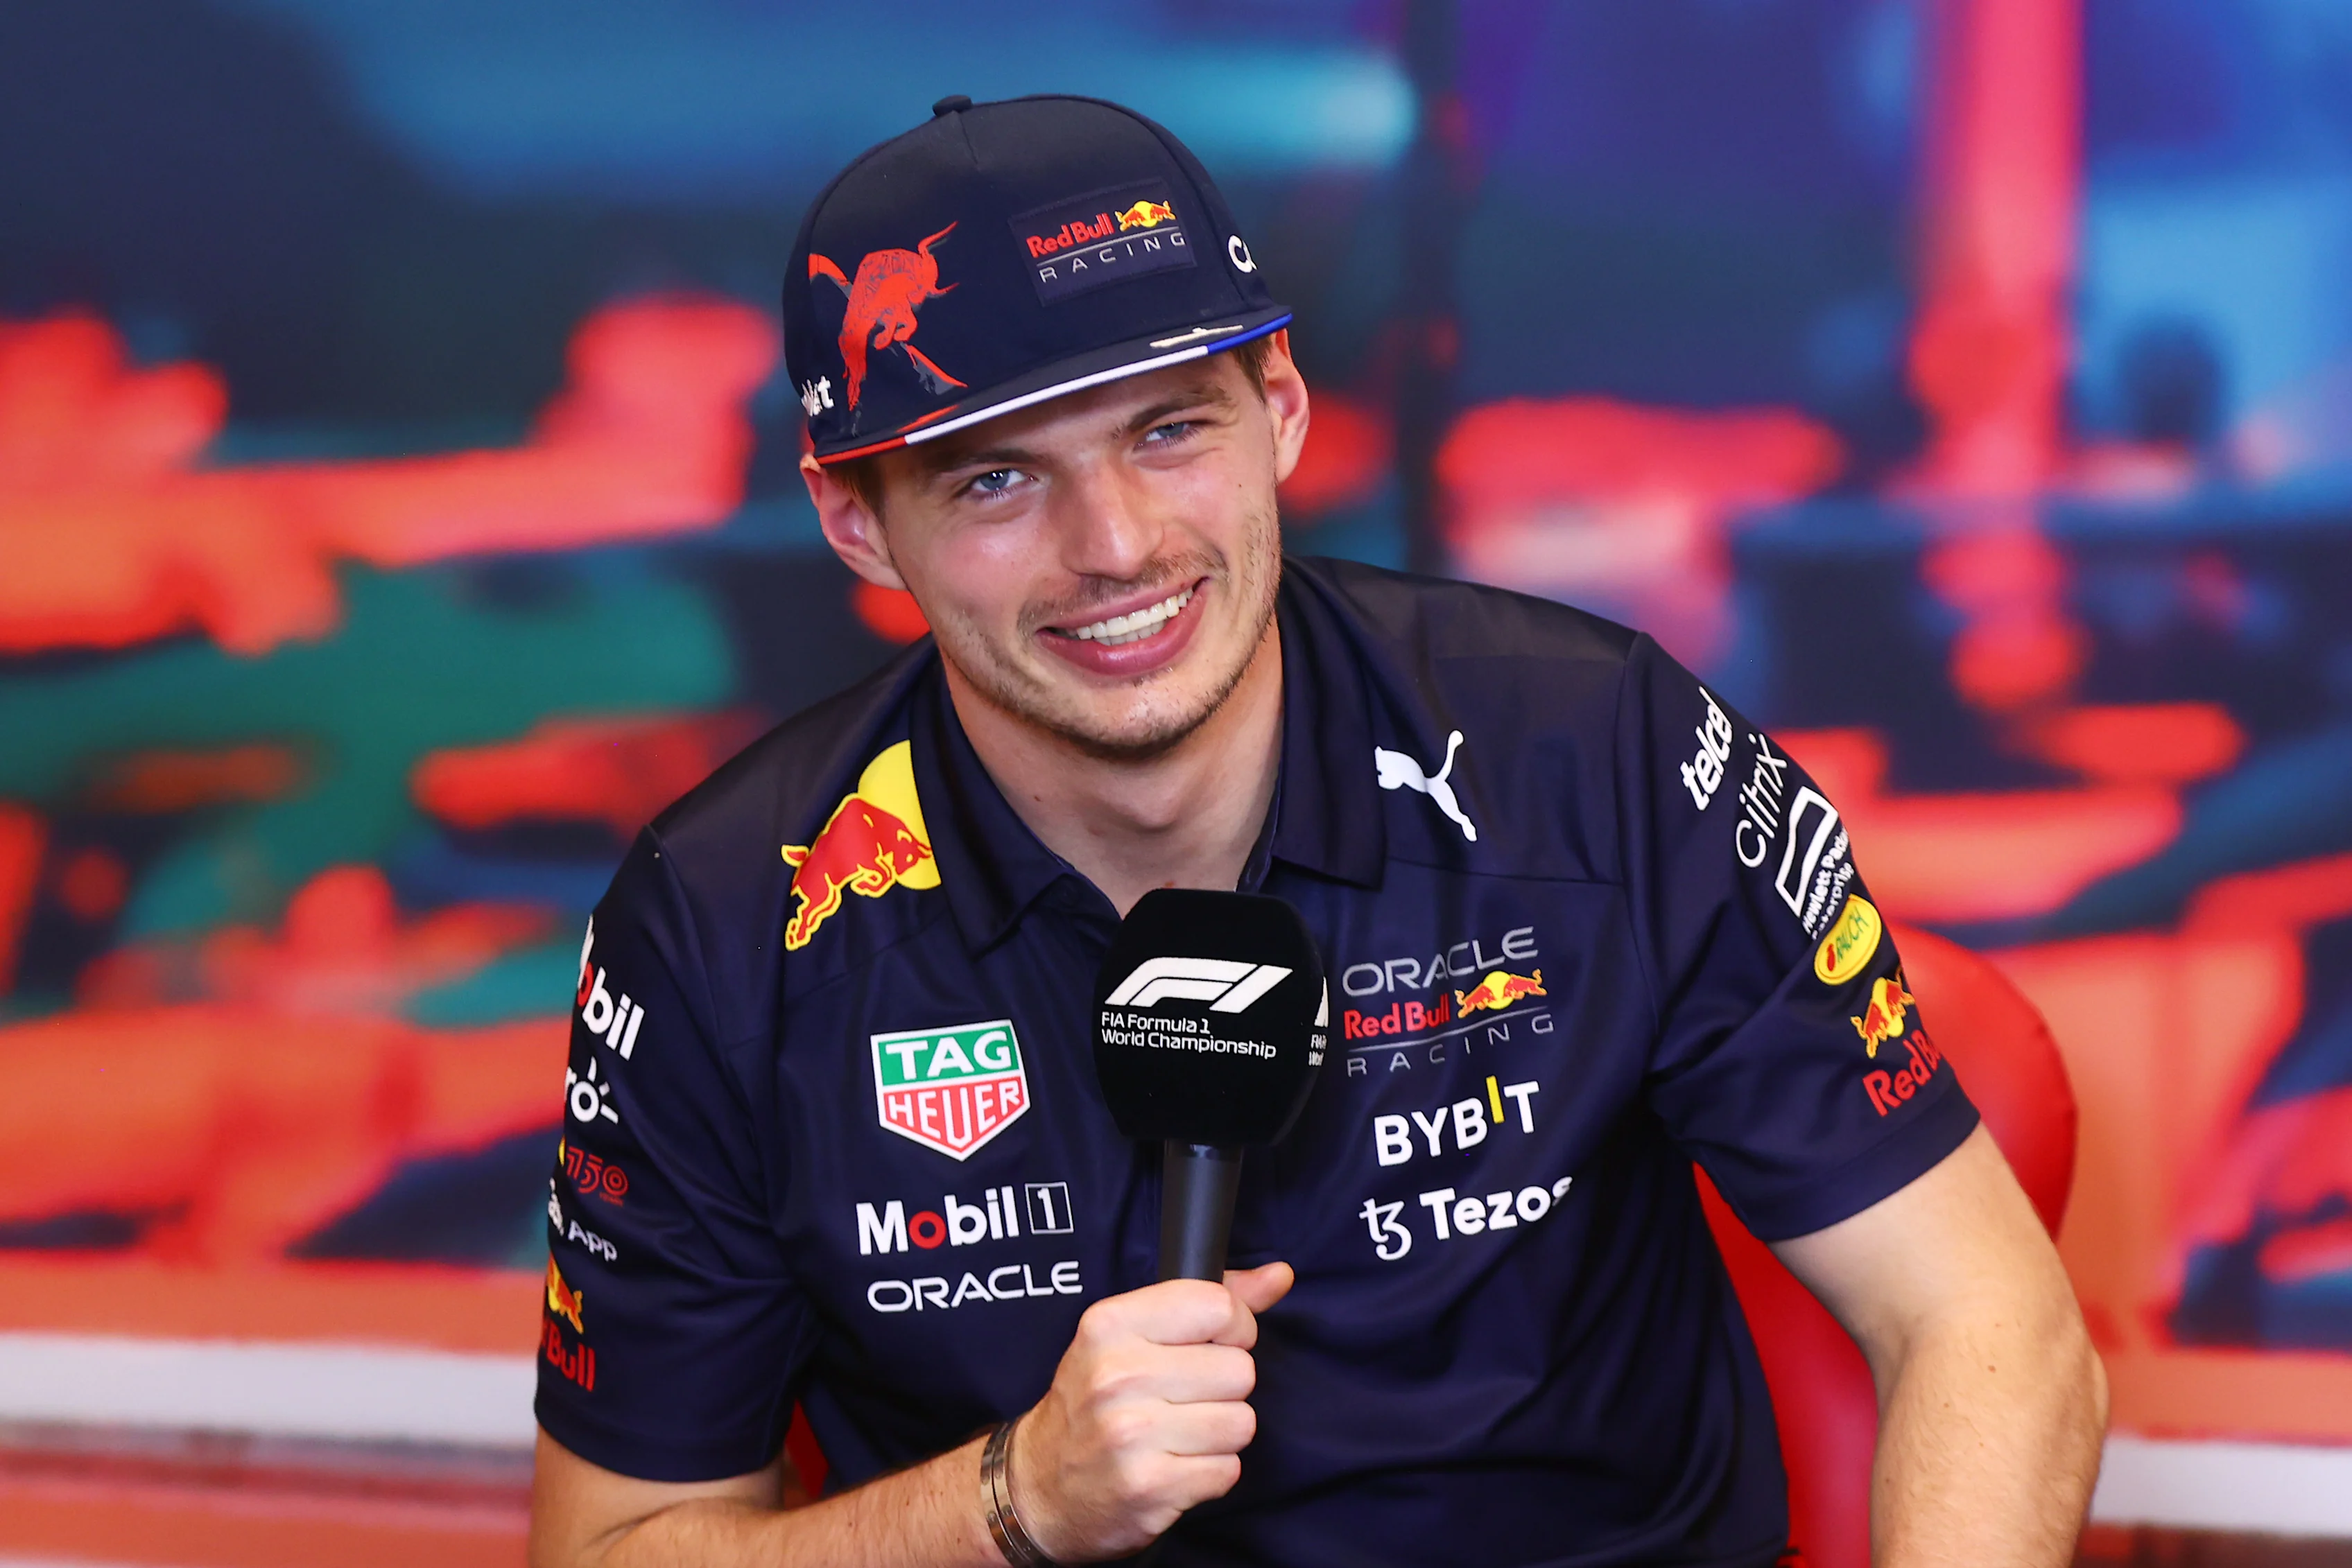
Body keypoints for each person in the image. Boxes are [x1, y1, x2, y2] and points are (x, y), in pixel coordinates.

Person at [529, 94, 2106, 1567]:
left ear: (1278, 411)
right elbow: (614, 1542)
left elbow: (1985, 1322)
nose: (1117, 548)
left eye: (1168, 432)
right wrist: (1015, 1498)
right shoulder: (725, 917)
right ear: (855, 521)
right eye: (999, 479)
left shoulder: (1598, 749)